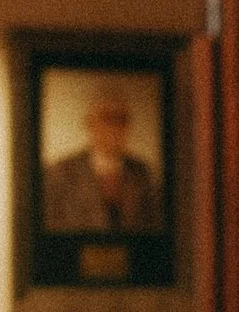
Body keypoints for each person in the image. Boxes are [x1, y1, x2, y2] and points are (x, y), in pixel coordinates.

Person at [41, 85, 163, 236]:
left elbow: (153, 229)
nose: (115, 127)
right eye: (107, 118)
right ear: (90, 124)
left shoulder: (142, 172)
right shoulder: (61, 173)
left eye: (121, 119)